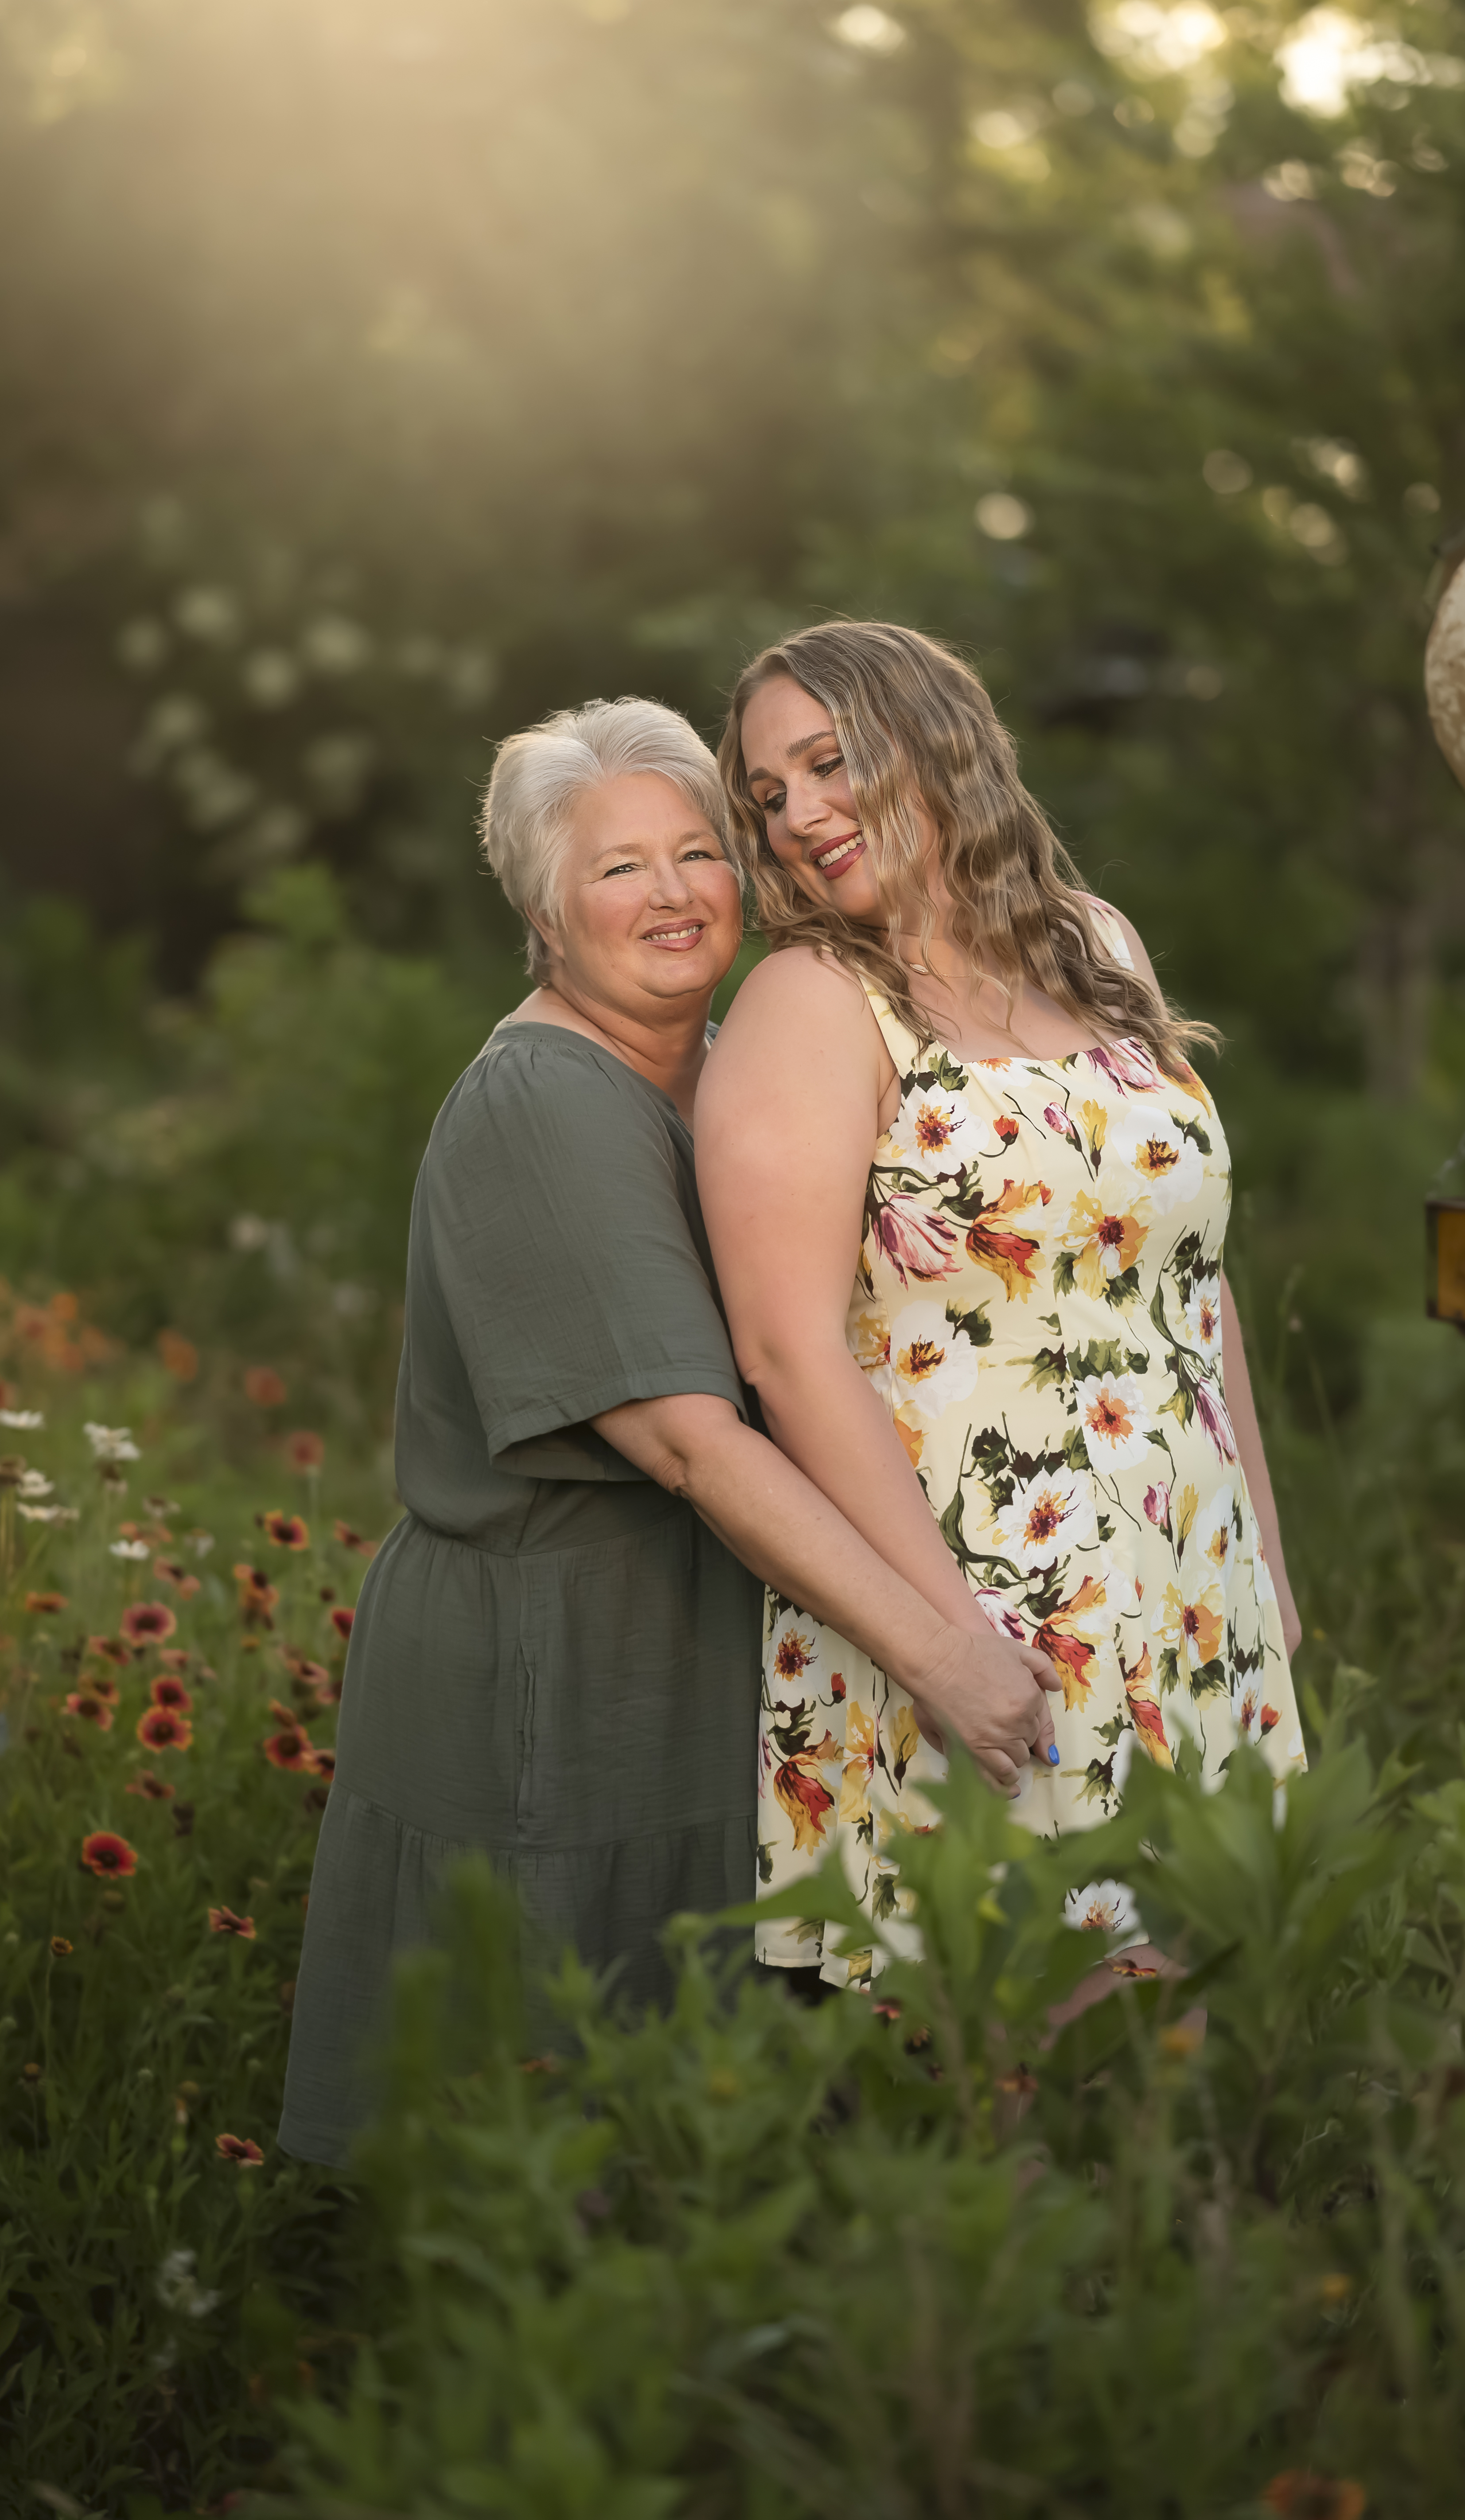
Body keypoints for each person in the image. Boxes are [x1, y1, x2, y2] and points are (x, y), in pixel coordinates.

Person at [279, 695, 1055, 2162]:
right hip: (562, 1661)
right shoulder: (545, 1103)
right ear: (540, 905)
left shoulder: (725, 1070)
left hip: (702, 1641)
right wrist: (938, 1644)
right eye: (619, 867)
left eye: (700, 851)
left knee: (711, 2124)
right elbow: (696, 1440)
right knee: (563, 2122)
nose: (675, 894)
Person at [696, 623, 1307, 1991]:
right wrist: (953, 1647)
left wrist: (1259, 1558)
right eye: (767, 794)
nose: (796, 815)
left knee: (1197, 2062)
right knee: (1034, 2074)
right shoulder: (813, 1002)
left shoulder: (1099, 944)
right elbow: (785, 1352)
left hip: (1187, 1585)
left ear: (935, 738)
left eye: (824, 761)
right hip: (978, 1606)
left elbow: (1193, 1283)